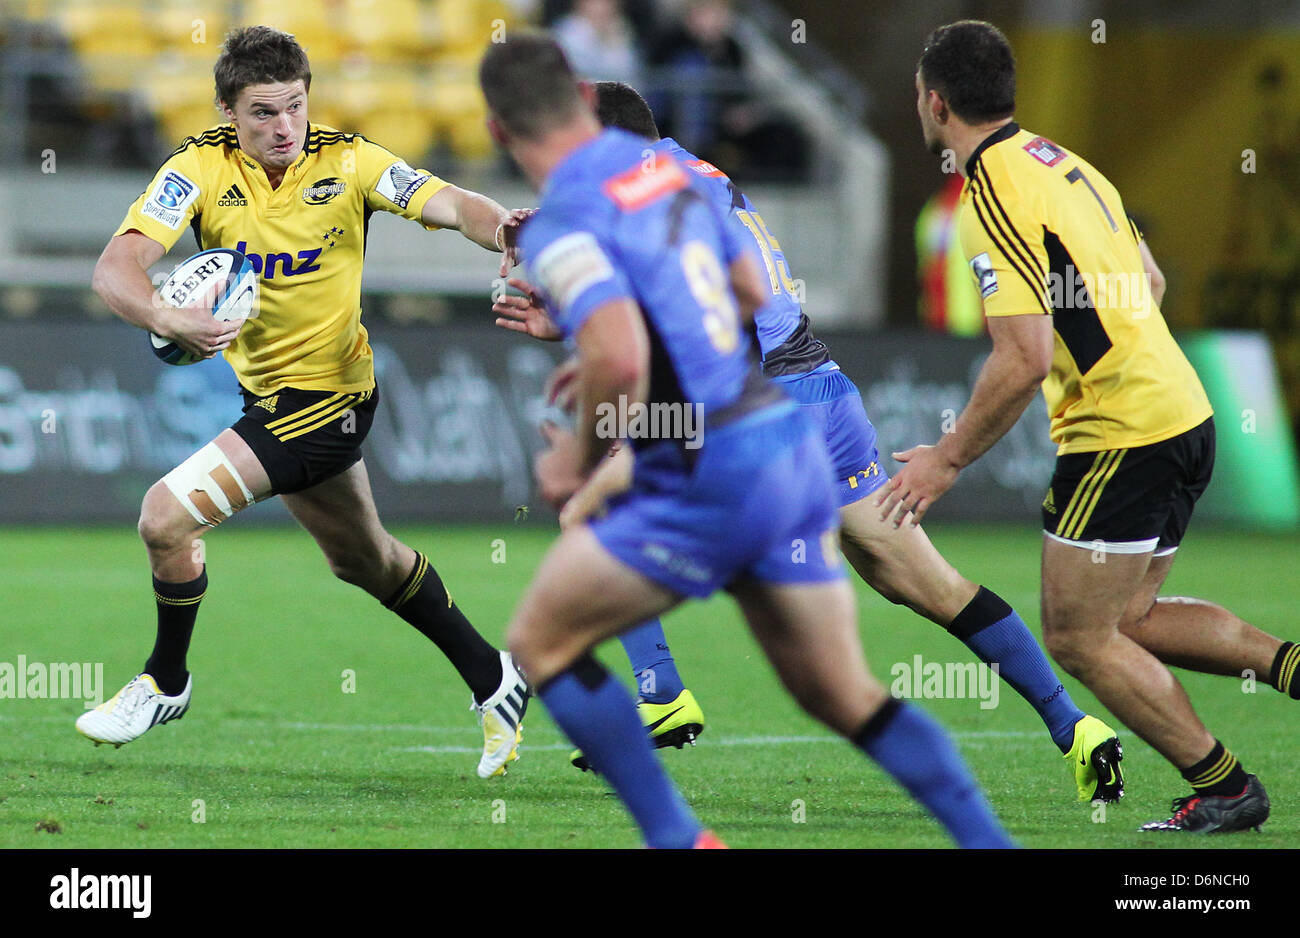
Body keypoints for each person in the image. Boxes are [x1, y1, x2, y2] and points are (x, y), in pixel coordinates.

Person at [494, 79, 1126, 805]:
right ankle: (1074, 725)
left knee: (589, 509)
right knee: (918, 582)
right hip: (825, 393)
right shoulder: (697, 175)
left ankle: (661, 694)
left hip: (759, 410)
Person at [77, 25, 530, 780]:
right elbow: (116, 266)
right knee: (368, 563)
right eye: (262, 113)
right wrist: (163, 314)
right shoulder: (195, 169)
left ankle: (165, 680)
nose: (284, 127)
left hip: (333, 399)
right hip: (271, 399)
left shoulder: (349, 160)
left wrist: (504, 227)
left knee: (163, 515)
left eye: (294, 106)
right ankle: (497, 679)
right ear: (229, 113)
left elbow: (448, 202)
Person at [883, 19, 1296, 832]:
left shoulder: (990, 191)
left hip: (1121, 432)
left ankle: (1225, 787)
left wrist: (947, 459)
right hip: (1182, 407)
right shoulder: (1065, 162)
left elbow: (1022, 357)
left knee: (1076, 636)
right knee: (1131, 622)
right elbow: (1150, 275)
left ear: (934, 103)